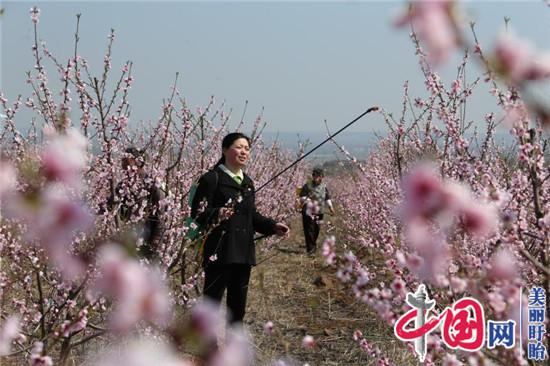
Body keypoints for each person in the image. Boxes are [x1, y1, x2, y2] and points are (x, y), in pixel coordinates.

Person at [191, 132, 289, 325]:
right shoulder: (212, 178)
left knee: (237, 308)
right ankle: (208, 349)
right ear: (225, 150)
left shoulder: (247, 182)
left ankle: (232, 349)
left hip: (243, 252)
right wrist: (217, 213)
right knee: (212, 303)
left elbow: (251, 215)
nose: (244, 152)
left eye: (247, 148)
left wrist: (272, 226)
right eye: (239, 147)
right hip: (219, 251)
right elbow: (198, 213)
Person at [105, 147, 164, 259]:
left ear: (137, 162)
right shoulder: (123, 184)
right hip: (130, 231)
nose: (123, 164)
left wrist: (157, 238)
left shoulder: (150, 182)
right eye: (122, 160)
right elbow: (110, 204)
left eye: (126, 160)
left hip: (147, 231)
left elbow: (160, 211)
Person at [299, 166, 334, 254]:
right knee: (309, 229)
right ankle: (310, 249)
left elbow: (327, 197)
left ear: (322, 176)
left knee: (316, 229)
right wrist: (309, 201)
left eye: (318, 176)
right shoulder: (307, 185)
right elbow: (302, 197)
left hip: (320, 211)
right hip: (309, 211)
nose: (316, 177)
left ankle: (312, 244)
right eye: (314, 175)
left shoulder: (323, 186)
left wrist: (330, 207)